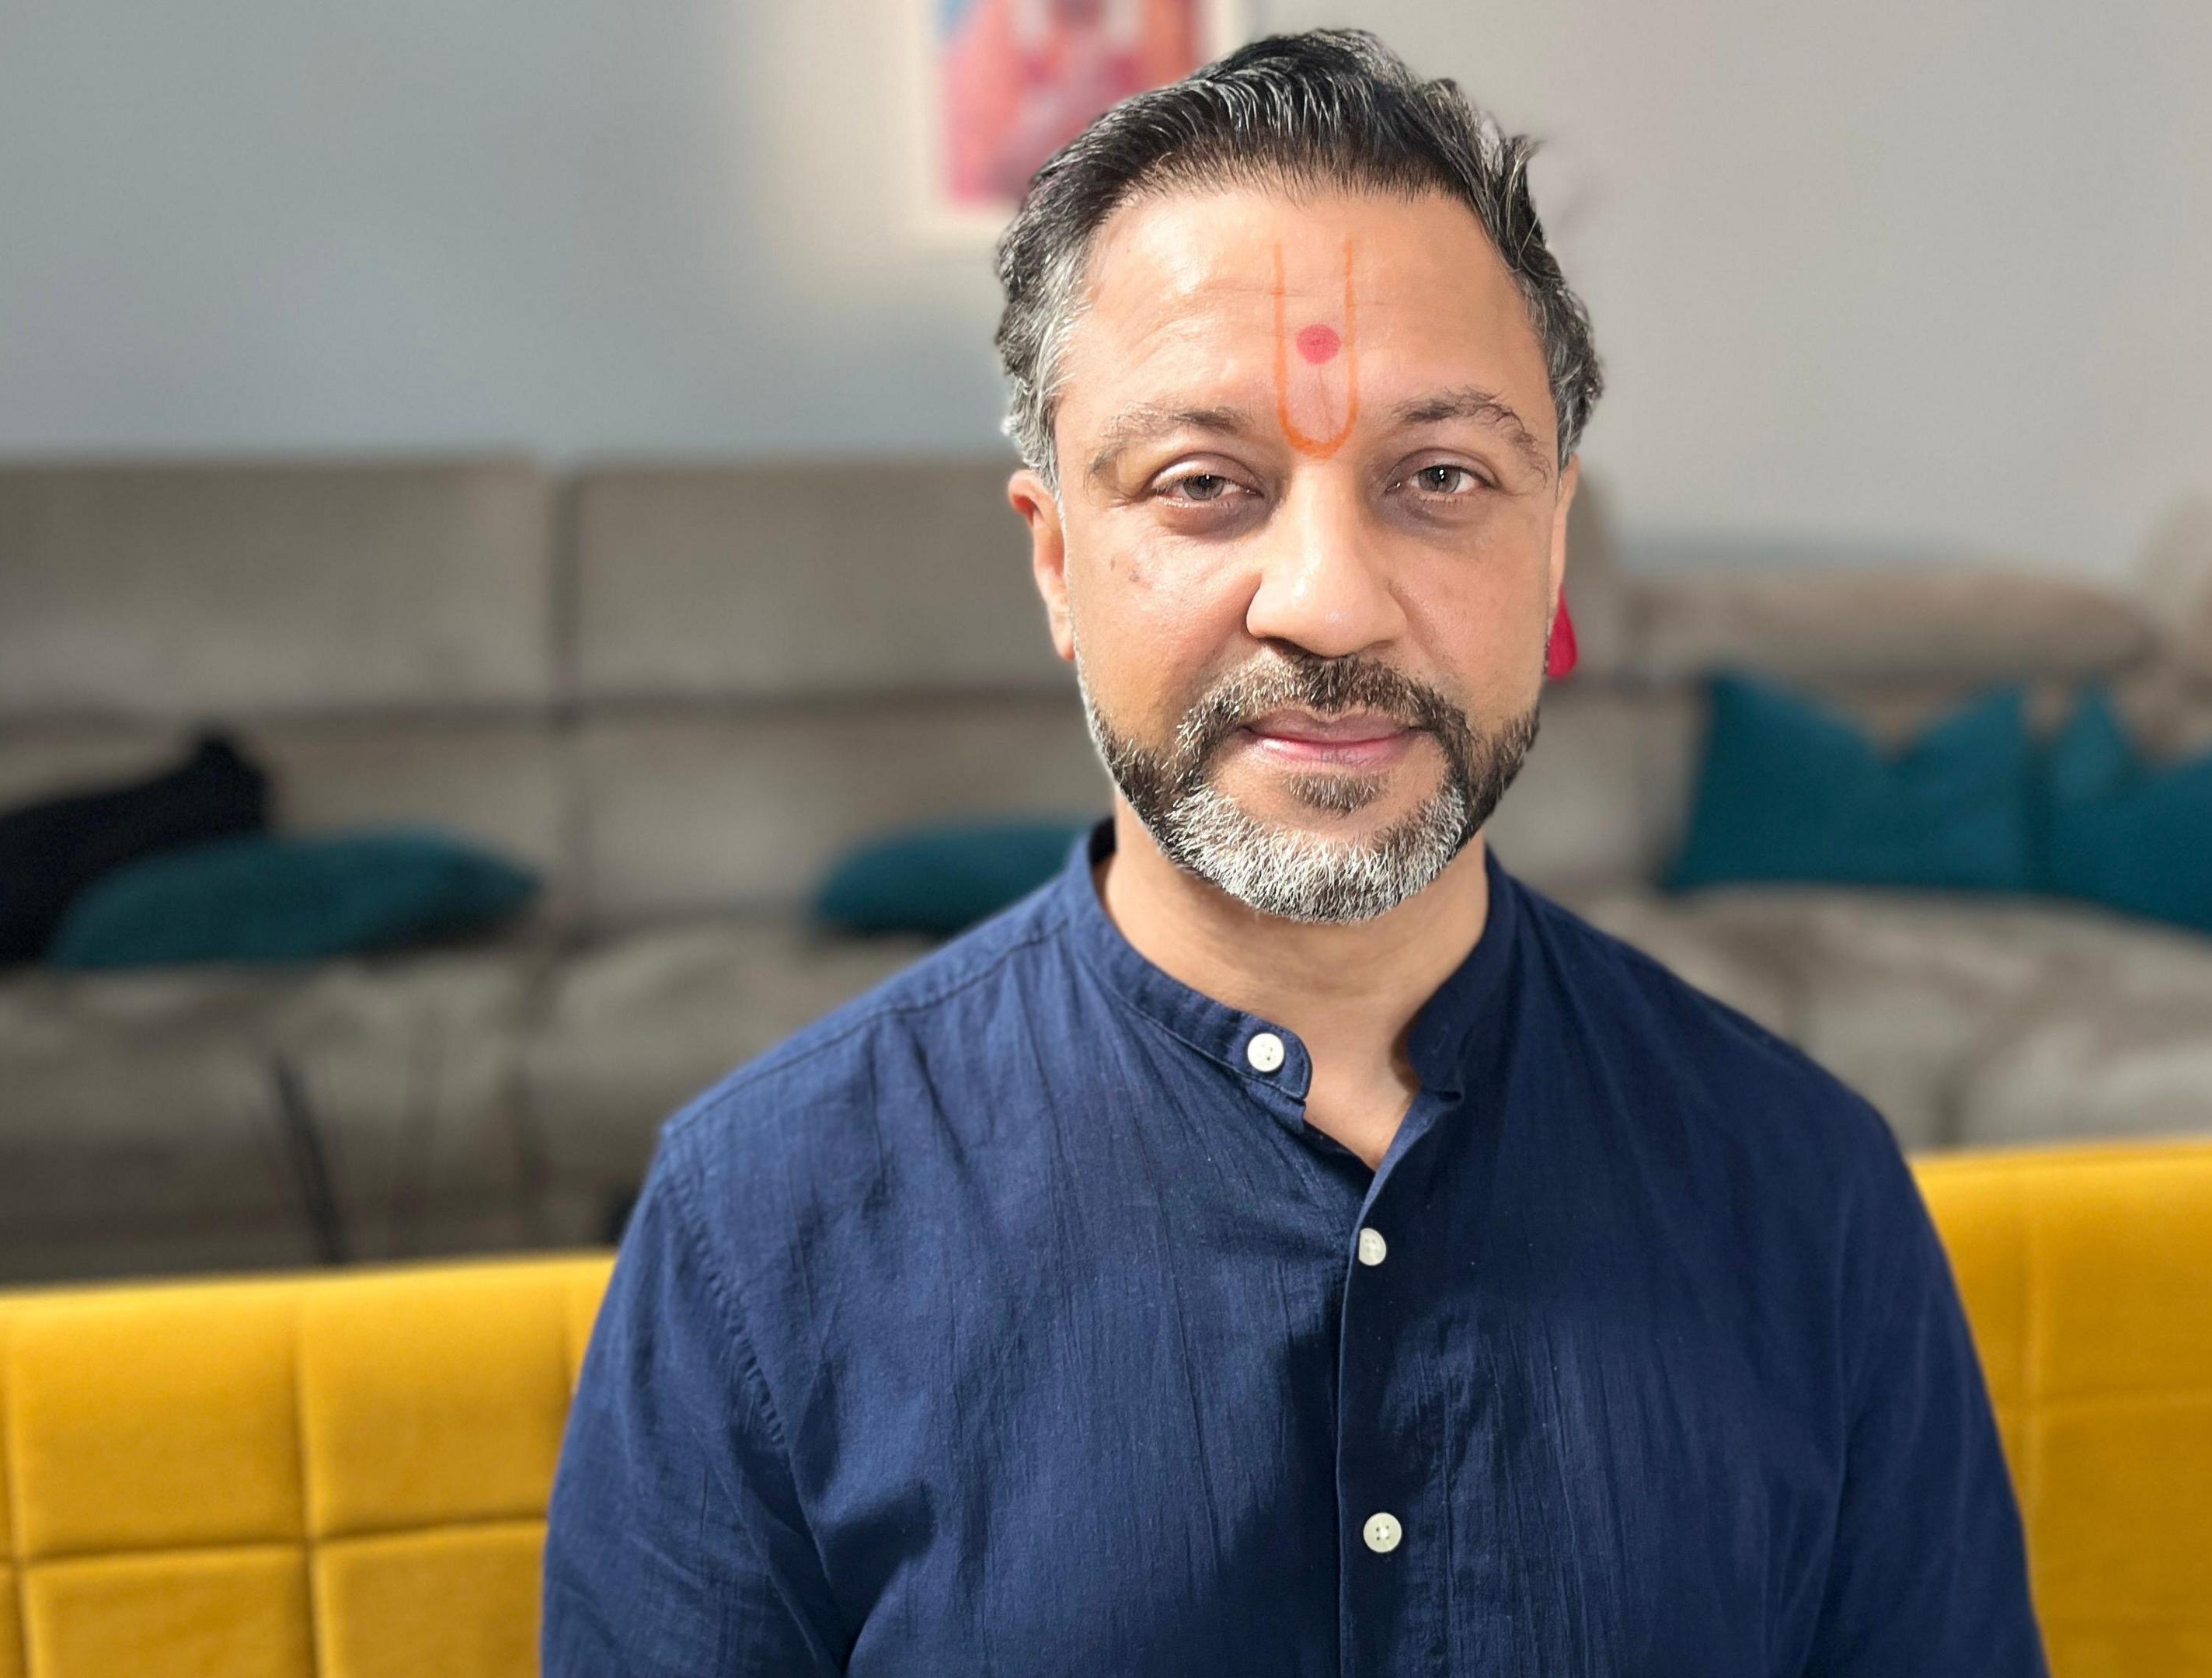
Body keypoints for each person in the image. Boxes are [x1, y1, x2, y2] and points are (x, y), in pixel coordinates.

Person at [542, 28, 2045, 1675]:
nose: (1326, 600)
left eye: (1441, 478)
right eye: (1205, 484)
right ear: (1057, 563)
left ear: (1552, 551)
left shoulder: (1807, 1189)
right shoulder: (759, 1229)